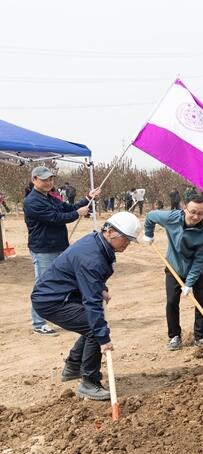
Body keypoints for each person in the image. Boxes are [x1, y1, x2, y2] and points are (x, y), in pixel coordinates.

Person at [31, 212, 140, 400]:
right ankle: (89, 382)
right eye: (125, 239)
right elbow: (92, 302)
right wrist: (103, 339)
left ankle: (73, 366)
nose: (126, 244)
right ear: (110, 231)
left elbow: (86, 276)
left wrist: (100, 287)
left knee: (91, 325)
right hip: (52, 300)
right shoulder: (92, 257)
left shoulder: (96, 242)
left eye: (129, 241)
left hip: (62, 293)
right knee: (94, 327)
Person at [24, 166, 100, 336]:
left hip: (60, 246)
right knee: (43, 285)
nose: (49, 182)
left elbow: (67, 208)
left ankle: (69, 314)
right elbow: (55, 218)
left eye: (51, 179)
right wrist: (77, 213)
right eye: (44, 179)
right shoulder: (32, 201)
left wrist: (88, 198)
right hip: (44, 249)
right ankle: (38, 323)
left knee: (65, 280)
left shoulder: (51, 197)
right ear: (34, 180)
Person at [142, 194, 203, 351]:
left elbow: (199, 261)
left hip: (197, 270)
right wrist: (148, 233)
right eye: (193, 212)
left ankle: (201, 337)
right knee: (172, 302)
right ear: (184, 208)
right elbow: (150, 216)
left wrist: (189, 283)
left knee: (201, 301)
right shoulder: (171, 218)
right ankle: (174, 336)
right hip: (173, 266)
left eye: (200, 214)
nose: (196, 217)